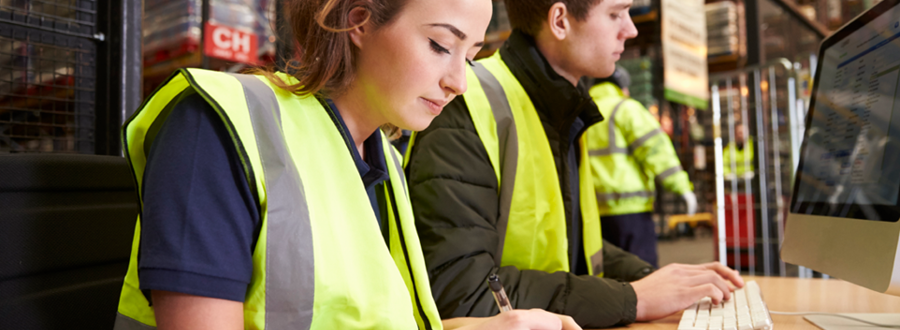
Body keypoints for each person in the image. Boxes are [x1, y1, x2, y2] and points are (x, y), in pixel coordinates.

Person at [113, 0, 581, 329]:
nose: (459, 81)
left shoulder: (385, 167)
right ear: (358, 21)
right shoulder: (219, 124)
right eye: (440, 45)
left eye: (473, 55)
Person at [404, 0, 745, 328]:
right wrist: (631, 298)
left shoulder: (562, 109)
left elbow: (574, 249)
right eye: (616, 14)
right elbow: (463, 294)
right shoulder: (466, 106)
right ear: (560, 21)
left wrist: (653, 279)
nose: (630, 30)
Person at [585, 67, 697, 268]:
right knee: (641, 272)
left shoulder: (582, 111)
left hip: (593, 213)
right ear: (623, 88)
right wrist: (683, 188)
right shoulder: (625, 108)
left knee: (607, 276)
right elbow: (655, 150)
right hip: (631, 210)